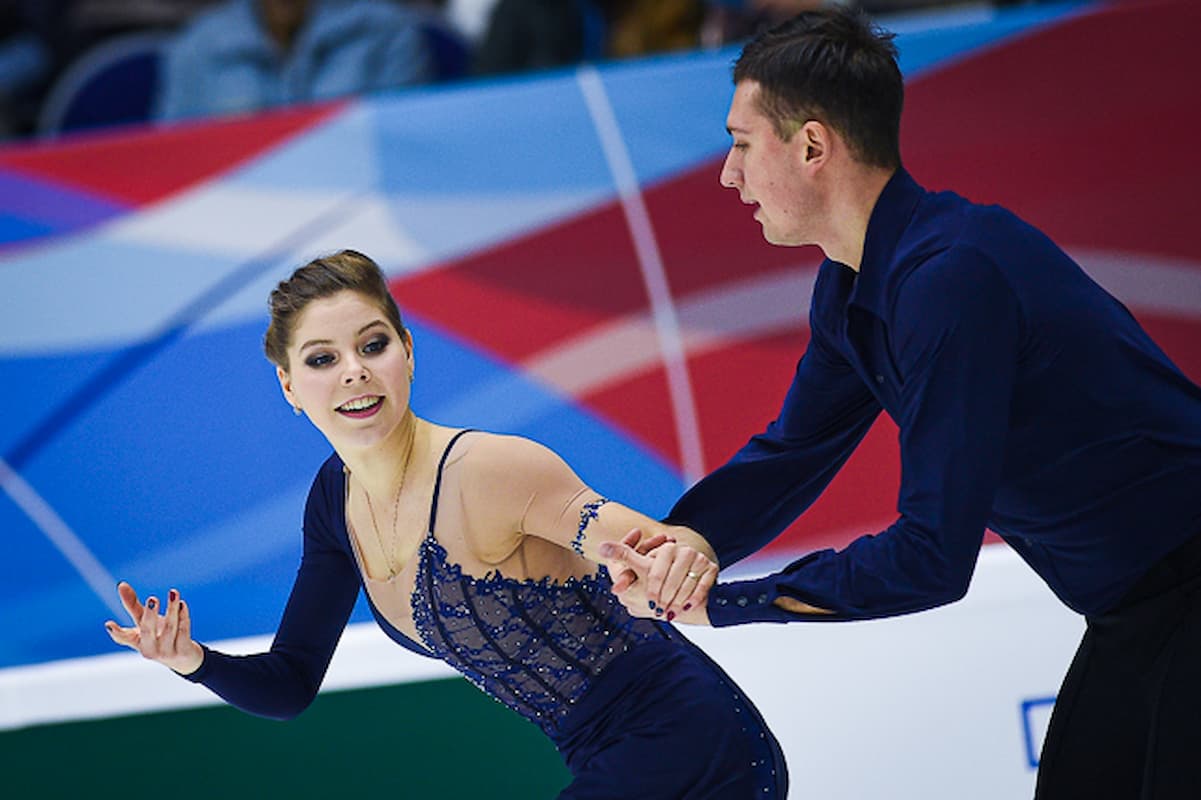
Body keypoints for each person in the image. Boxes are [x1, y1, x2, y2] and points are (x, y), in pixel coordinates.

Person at [599, 8, 1201, 799]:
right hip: (1138, 609)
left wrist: (723, 603)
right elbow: (791, 453)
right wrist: (682, 543)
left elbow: (931, 557)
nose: (727, 174)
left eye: (741, 143)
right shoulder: (853, 282)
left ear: (812, 146)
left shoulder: (953, 278)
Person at [103, 249, 787, 799]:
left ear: (406, 350)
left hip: (693, 741)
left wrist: (658, 558)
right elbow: (289, 685)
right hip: (601, 758)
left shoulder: (489, 469)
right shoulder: (332, 505)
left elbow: (642, 544)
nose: (353, 373)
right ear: (288, 385)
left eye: (372, 345)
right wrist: (188, 660)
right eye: (321, 359)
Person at [155, 0, 434, 122]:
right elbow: (177, 158)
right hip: (236, 212)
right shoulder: (197, 45)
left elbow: (405, 146)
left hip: (359, 208)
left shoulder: (386, 30)